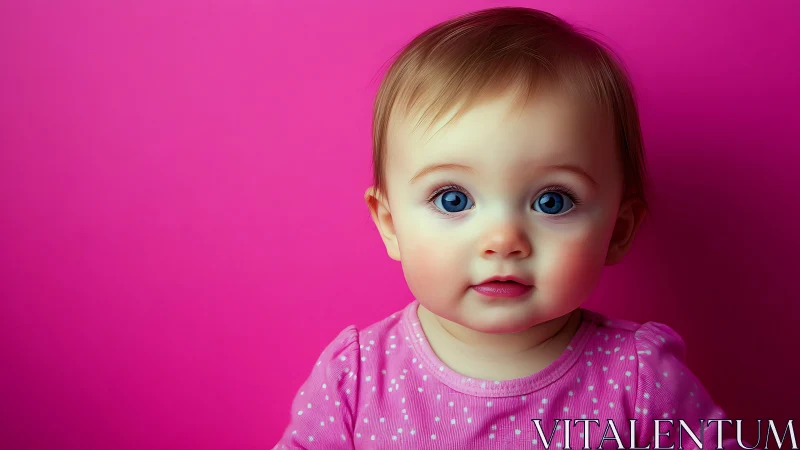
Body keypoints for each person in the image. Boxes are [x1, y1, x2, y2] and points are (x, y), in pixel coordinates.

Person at [273, 6, 746, 449]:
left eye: (552, 201)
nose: (503, 241)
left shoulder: (641, 380)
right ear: (391, 225)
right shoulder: (354, 377)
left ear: (618, 230)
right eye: (453, 199)